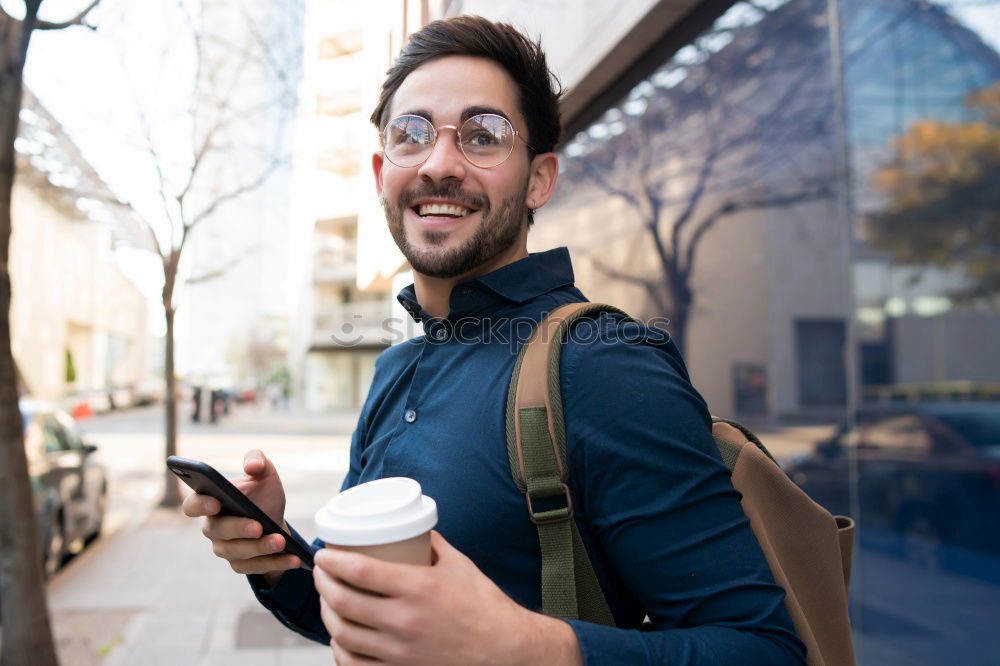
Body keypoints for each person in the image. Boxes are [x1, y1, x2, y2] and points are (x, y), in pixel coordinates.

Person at [182, 16, 807, 666]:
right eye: (411, 135)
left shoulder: (604, 363)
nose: (440, 164)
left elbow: (764, 650)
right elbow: (377, 622)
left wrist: (522, 646)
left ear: (539, 179)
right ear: (380, 172)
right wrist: (276, 554)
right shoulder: (397, 368)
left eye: (483, 136)